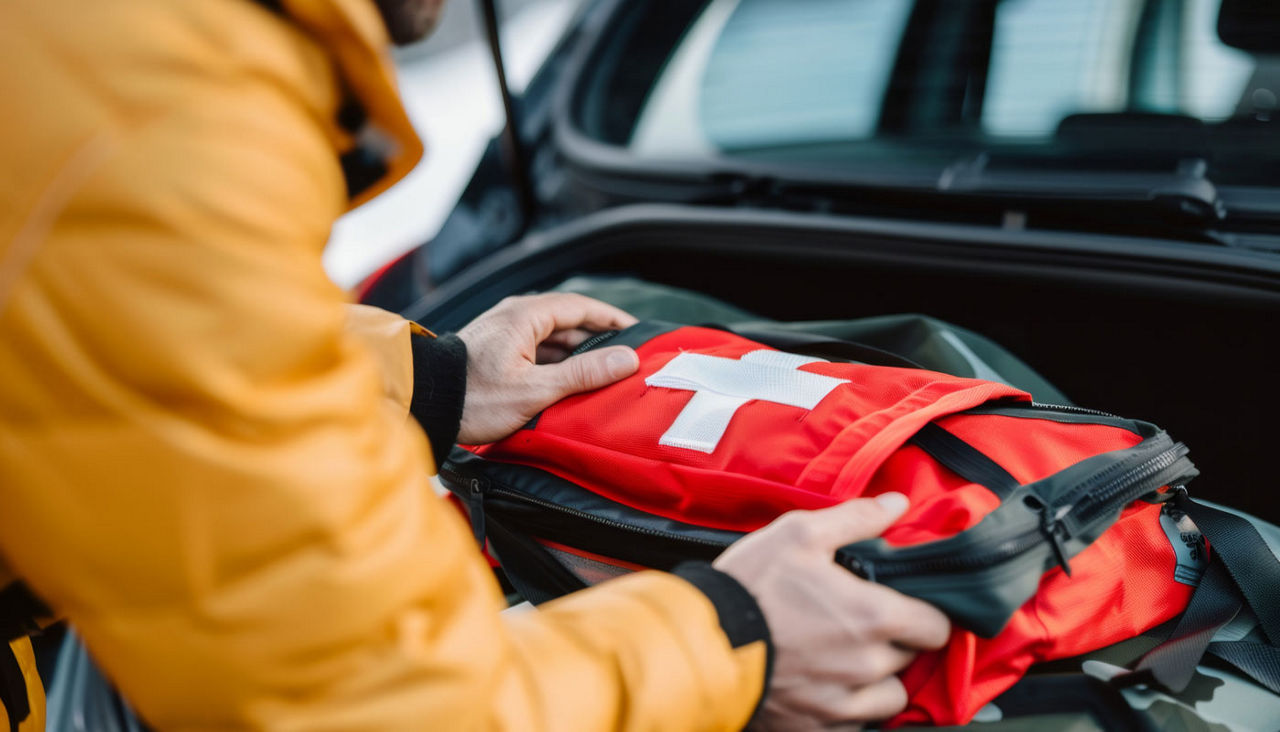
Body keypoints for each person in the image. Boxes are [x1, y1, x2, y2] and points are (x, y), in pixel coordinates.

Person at [0, 0, 950, 729]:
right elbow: (366, 701)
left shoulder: (106, 50)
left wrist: (431, 383)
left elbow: (108, 338)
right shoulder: (157, 108)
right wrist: (733, 636)